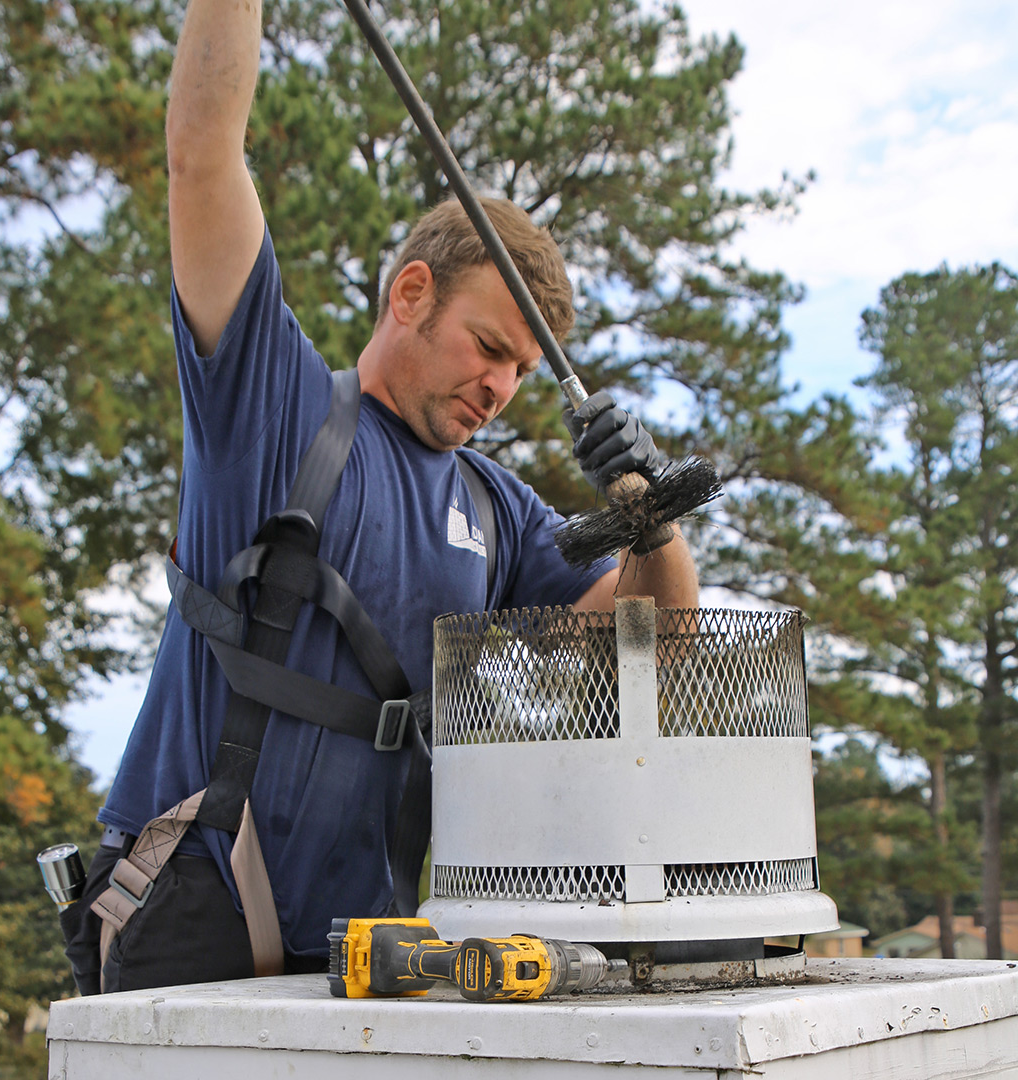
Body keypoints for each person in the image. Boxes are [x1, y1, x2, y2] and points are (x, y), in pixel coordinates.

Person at [61, 0, 699, 995]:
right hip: (194, 908)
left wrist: (644, 515)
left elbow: (652, 648)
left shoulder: (496, 508)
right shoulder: (272, 406)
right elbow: (201, 154)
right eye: (490, 348)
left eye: (524, 371)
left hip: (370, 951)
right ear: (410, 296)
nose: (500, 387)